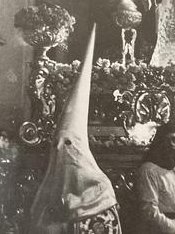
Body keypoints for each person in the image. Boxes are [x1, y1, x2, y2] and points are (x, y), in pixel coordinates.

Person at [30, 25, 122, 234]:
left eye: (69, 144)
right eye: (58, 144)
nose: (62, 149)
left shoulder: (101, 194)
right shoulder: (47, 193)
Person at [137, 122, 175, 234]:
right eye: (166, 140)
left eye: (174, 140)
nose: (170, 145)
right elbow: (149, 211)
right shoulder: (149, 170)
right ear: (159, 144)